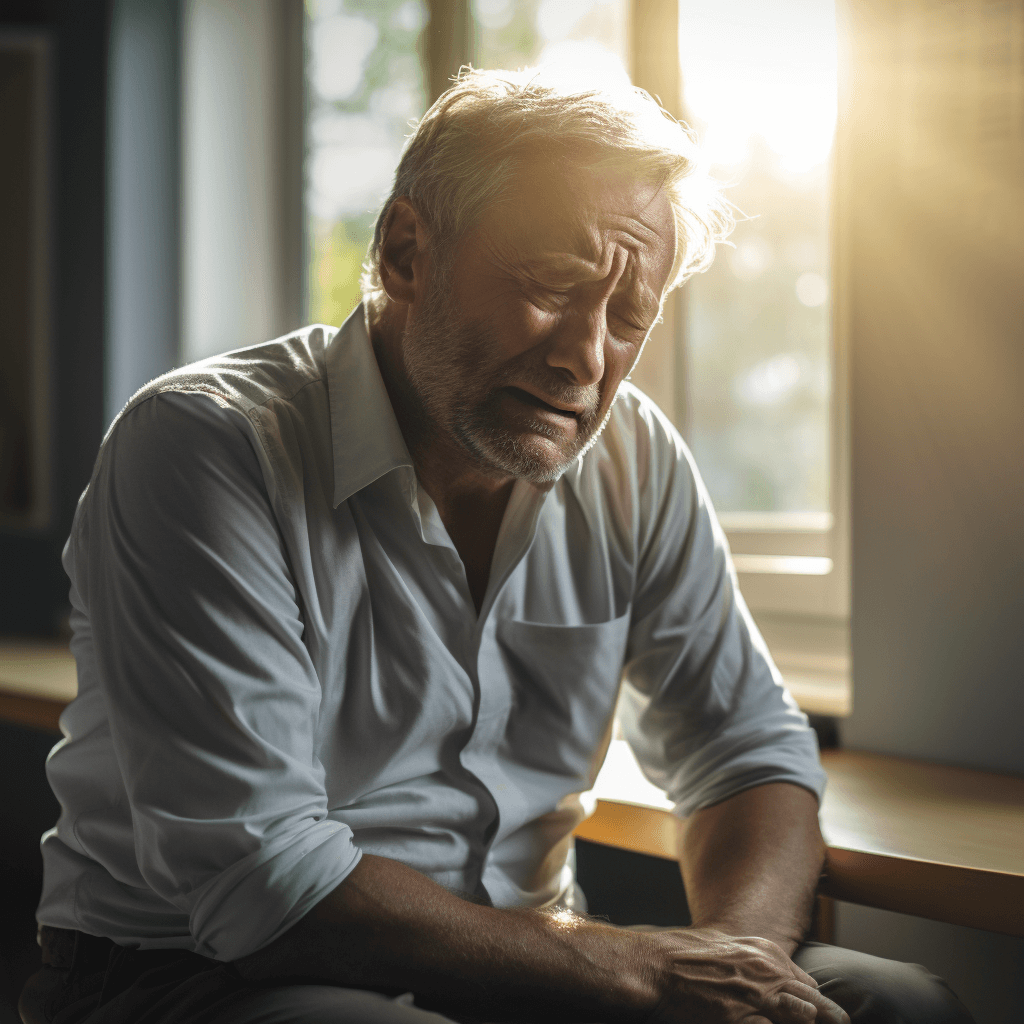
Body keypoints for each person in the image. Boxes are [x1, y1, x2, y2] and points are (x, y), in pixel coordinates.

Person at [22, 70, 973, 1024]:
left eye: (628, 317)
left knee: (898, 1003)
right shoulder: (207, 445)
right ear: (405, 252)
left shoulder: (632, 455)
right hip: (200, 972)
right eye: (552, 287)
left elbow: (749, 753)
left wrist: (739, 965)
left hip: (530, 968)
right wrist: (646, 973)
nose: (585, 358)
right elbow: (265, 883)